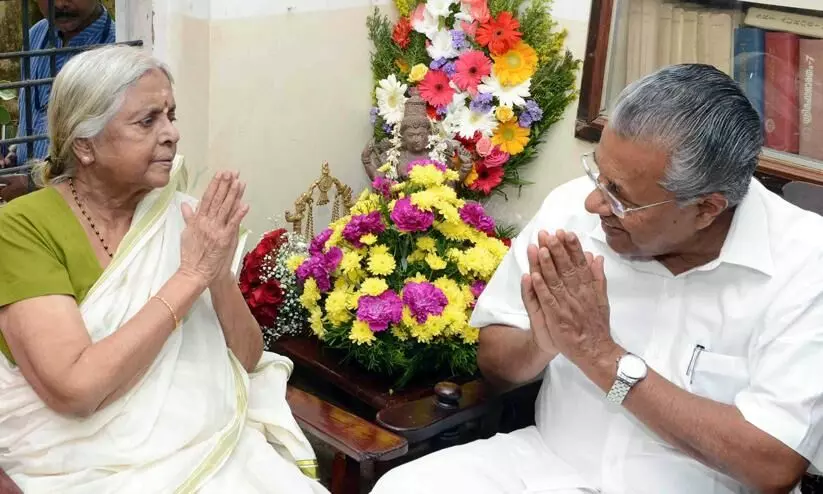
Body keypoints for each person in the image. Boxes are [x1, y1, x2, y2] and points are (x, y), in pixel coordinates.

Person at [372, 64, 823, 493]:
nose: (593, 203)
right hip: (548, 466)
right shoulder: (572, 213)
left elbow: (773, 463)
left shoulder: (803, 262)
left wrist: (600, 356)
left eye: (619, 197)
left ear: (707, 208)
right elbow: (496, 360)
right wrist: (543, 343)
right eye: (598, 175)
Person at [0, 45, 327, 494]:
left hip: (206, 445)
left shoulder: (183, 217)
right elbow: (76, 391)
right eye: (147, 121)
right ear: (85, 144)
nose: (172, 134)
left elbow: (247, 358)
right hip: (84, 465)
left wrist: (215, 273)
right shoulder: (21, 228)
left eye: (171, 115)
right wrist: (190, 276)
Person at [1, 0, 115, 167]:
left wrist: (35, 181)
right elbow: (32, 121)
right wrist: (13, 156)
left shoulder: (119, 49)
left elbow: (113, 156)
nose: (60, 4)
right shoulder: (35, 35)